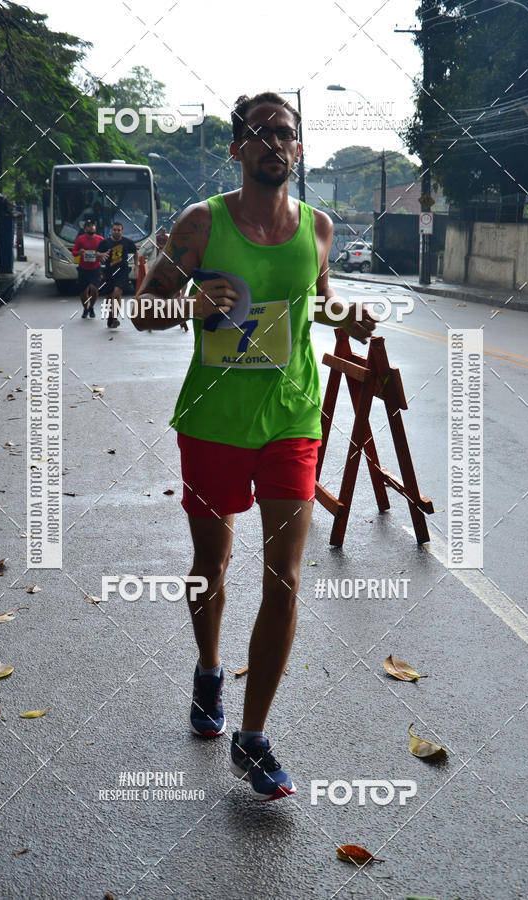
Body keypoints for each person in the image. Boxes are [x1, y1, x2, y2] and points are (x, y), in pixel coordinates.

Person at [132, 91, 375, 801]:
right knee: (214, 559)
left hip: (292, 420)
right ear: (237, 149)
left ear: (299, 151)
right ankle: (209, 669)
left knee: (286, 577)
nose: (277, 143)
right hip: (212, 422)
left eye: (288, 134)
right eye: (263, 133)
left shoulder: (319, 228)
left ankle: (255, 736)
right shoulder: (199, 225)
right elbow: (144, 309)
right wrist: (187, 305)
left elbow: (317, 295)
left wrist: (345, 316)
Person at [97, 221, 138, 328]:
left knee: (117, 292)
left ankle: (114, 317)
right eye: (114, 230)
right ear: (111, 231)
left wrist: (136, 265)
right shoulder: (105, 242)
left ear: (122, 231)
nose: (116, 232)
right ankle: (111, 316)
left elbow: (135, 252)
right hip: (109, 272)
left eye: (118, 230)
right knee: (110, 296)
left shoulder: (127, 242)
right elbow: (96, 253)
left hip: (122, 272)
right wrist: (101, 254)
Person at [72, 219, 104, 318]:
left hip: (95, 268)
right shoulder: (80, 239)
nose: (91, 227)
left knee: (94, 289)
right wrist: (79, 252)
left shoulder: (100, 239)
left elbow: (106, 251)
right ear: (85, 229)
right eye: (89, 226)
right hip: (83, 268)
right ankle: (85, 309)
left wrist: (100, 255)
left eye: (93, 226)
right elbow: (74, 252)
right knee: (83, 291)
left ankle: (92, 307)